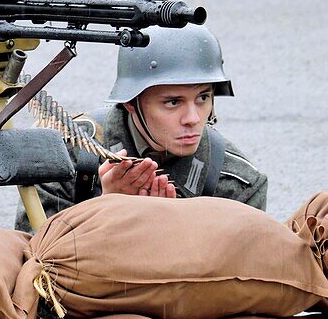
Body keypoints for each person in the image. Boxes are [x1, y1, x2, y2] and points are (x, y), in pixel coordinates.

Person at [15, 24, 267, 232]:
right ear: (131, 103)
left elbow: (244, 283)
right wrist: (106, 209)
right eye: (172, 102)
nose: (192, 118)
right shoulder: (66, 156)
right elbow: (34, 261)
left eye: (203, 98)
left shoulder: (238, 183)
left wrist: (175, 228)